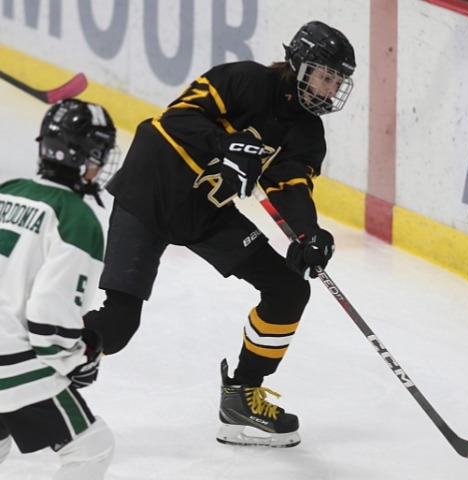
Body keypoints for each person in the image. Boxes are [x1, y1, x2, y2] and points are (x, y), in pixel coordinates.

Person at [83, 20, 356, 448]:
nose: (330, 89)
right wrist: (225, 144)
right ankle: (24, 377)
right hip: (150, 192)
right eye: (326, 77)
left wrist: (308, 234)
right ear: (300, 65)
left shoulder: (306, 132)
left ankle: (241, 398)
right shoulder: (245, 80)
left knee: (287, 289)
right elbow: (178, 118)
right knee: (117, 326)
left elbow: (290, 185)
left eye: (337, 82)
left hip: (205, 211)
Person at [0, 99, 118, 478]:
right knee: (92, 448)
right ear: (83, 156)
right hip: (9, 360)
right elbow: (48, 317)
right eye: (99, 152)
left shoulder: (7, 190)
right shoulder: (76, 219)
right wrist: (76, 357)